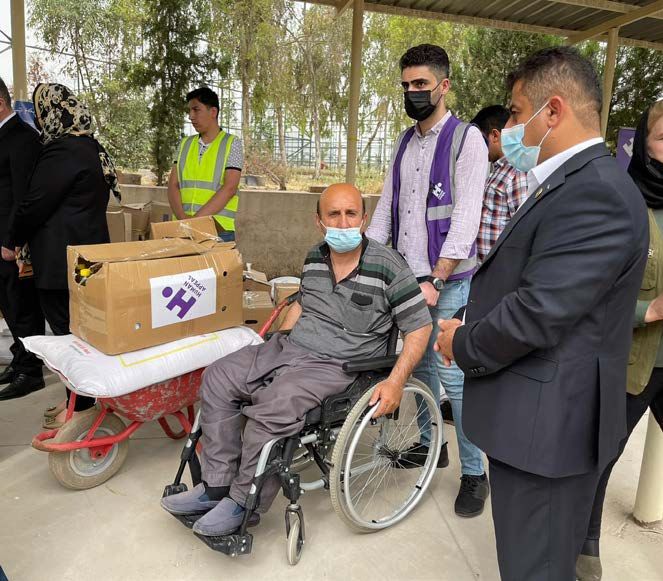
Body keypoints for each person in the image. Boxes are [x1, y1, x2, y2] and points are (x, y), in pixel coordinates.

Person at [434, 46, 648, 580]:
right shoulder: (571, 182)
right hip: (536, 423)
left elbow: (537, 312)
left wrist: (461, 342)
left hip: (549, 432)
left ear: (553, 111)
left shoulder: (595, 193)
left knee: (536, 569)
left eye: (515, 112)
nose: (508, 128)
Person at [161, 183, 432, 536]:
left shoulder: (389, 266)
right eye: (333, 214)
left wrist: (395, 382)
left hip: (339, 364)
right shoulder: (315, 256)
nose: (343, 223)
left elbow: (419, 327)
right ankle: (216, 484)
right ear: (319, 221)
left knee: (275, 403)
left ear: (364, 219)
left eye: (351, 214)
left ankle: (243, 503)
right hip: (292, 348)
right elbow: (303, 303)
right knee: (218, 376)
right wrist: (276, 343)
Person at [366, 44, 490, 518]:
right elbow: (386, 209)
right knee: (417, 368)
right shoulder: (404, 142)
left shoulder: (467, 140)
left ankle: (475, 473)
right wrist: (365, 260)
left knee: (454, 377)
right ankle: (429, 443)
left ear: (444, 86)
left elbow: (466, 219)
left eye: (421, 84)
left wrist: (437, 279)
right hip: (406, 278)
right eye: (406, 85)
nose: (412, 92)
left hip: (447, 280)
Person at [576, 100, 663, 581]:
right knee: (603, 455)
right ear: (643, 146)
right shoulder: (623, 204)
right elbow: (592, 290)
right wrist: (646, 311)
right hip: (635, 360)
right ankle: (585, 543)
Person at [5, 83, 119, 427]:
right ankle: (79, 400)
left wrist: (13, 239)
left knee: (69, 337)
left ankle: (81, 407)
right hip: (86, 261)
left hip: (61, 263)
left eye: (40, 113)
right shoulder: (89, 145)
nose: (39, 121)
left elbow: (34, 204)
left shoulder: (62, 151)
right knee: (80, 331)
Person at [0, 77, 46, 400]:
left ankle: (31, 372)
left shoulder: (22, 138)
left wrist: (12, 241)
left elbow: (22, 196)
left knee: (22, 305)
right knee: (8, 304)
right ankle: (19, 358)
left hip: (11, 243)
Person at [168, 87, 243, 242]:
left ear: (213, 112)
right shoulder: (184, 144)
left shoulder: (232, 143)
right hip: (183, 228)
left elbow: (230, 188)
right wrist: (183, 219)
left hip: (218, 230)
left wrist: (195, 221)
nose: (191, 116)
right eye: (189, 111)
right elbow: (173, 185)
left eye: (196, 110)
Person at [470, 105, 528, 264]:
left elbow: (524, 230)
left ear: (495, 135)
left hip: (500, 270)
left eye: (479, 140)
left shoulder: (516, 172)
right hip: (483, 270)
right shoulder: (497, 170)